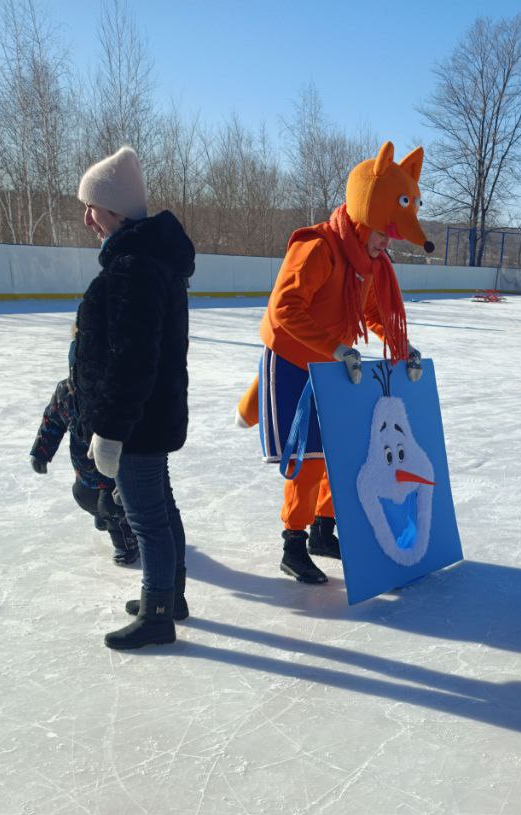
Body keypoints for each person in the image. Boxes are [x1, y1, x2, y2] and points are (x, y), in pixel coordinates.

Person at [235, 142, 431, 585]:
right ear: (366, 217)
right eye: (384, 232)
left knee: (341, 453)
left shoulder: (369, 261)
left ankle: (324, 529)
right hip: (292, 362)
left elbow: (376, 315)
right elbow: (284, 310)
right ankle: (293, 541)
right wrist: (335, 347)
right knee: (307, 458)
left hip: (332, 366)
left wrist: (403, 349)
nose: (387, 243)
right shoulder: (319, 248)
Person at [75, 145, 195, 650]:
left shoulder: (133, 268)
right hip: (153, 412)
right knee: (160, 507)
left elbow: (131, 358)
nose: (87, 219)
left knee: (147, 517)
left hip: (138, 420)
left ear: (117, 211)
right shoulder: (150, 260)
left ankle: (158, 613)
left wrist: (110, 429)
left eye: (93, 208)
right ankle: (172, 595)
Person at [30, 331, 138, 567]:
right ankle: (107, 517)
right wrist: (41, 451)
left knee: (111, 505)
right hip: (86, 470)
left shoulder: (112, 396)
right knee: (82, 496)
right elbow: (53, 421)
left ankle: (127, 542)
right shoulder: (65, 392)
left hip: (114, 472)